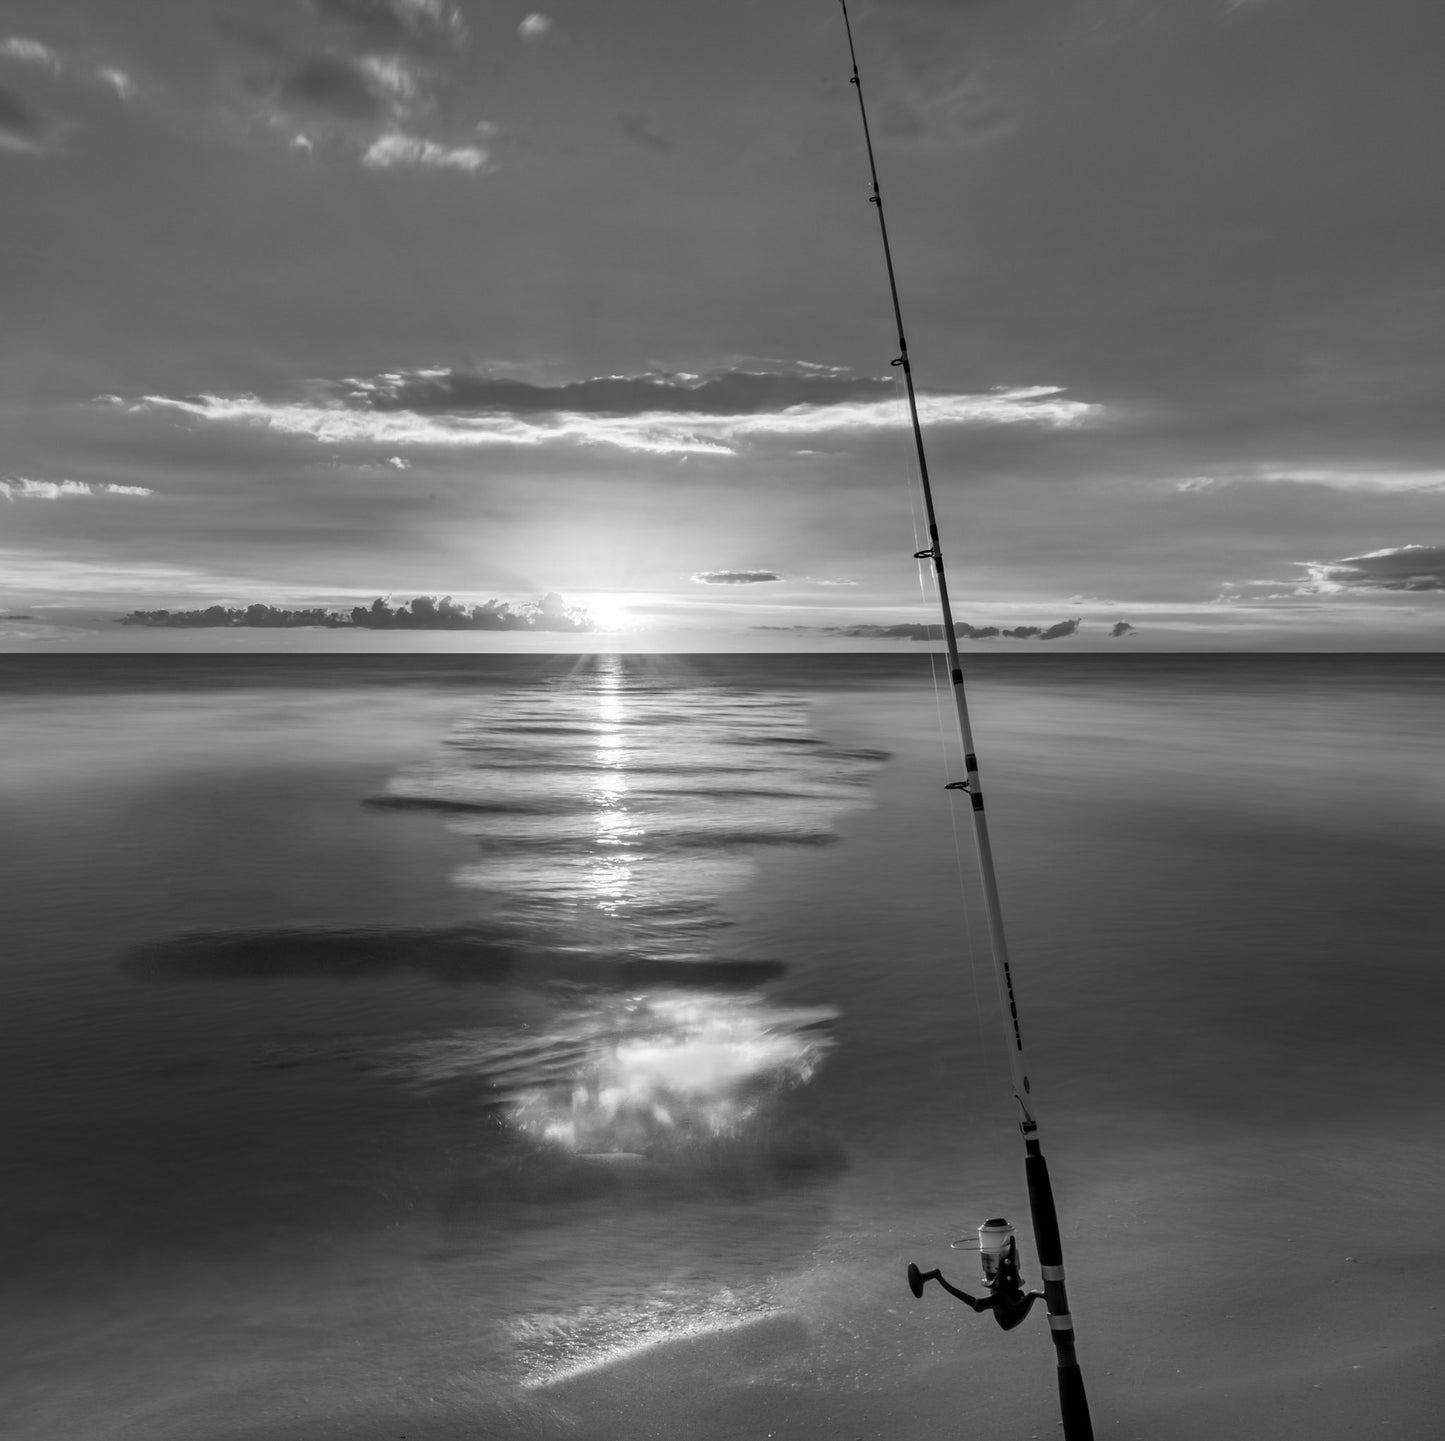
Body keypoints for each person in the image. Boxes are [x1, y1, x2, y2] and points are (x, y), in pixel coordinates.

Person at [907, 1236, 1044, 1331]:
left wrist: (938, 1277)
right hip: (1008, 1316)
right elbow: (977, 1304)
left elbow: (978, 1304)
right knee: (1032, 1294)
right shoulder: (999, 1299)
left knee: (1031, 1294)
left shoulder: (1002, 1295)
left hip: (1010, 1312)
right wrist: (939, 1277)